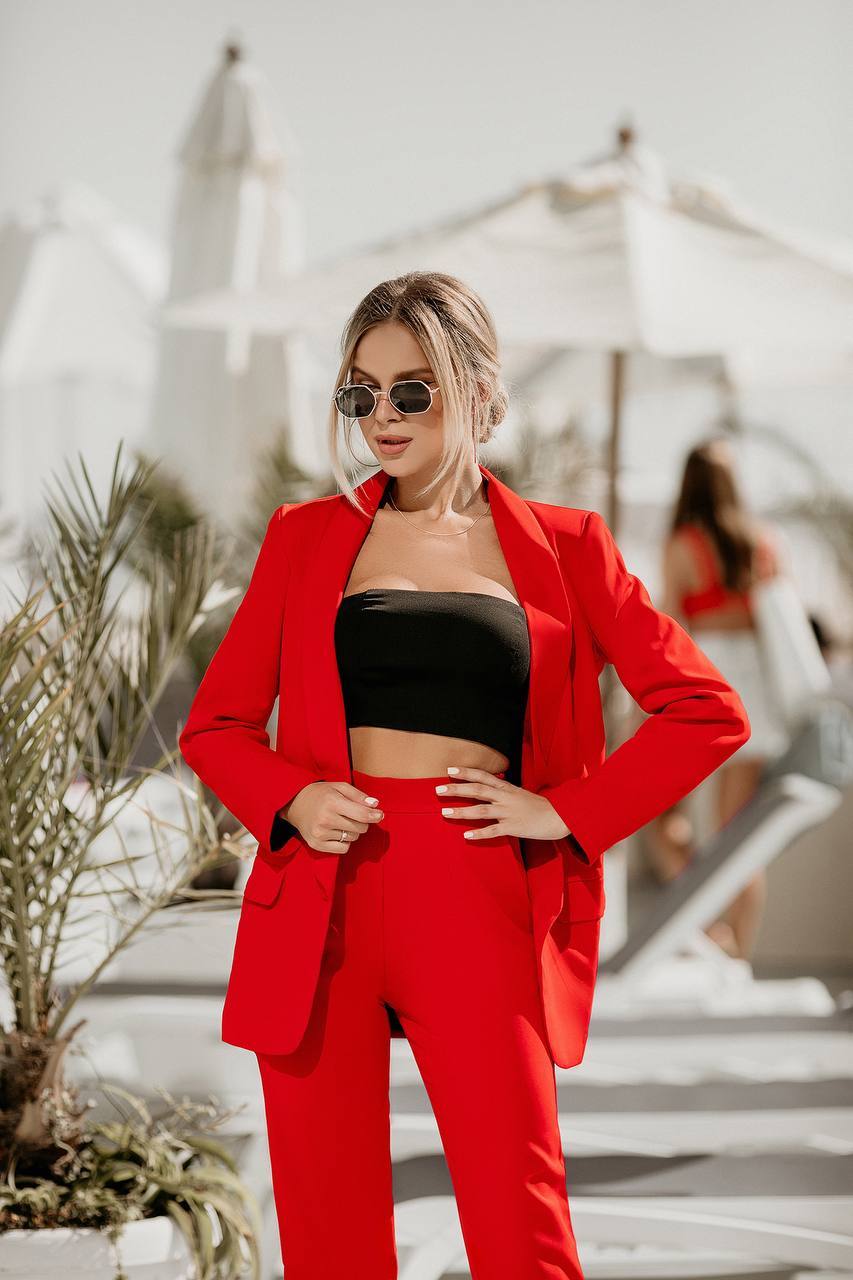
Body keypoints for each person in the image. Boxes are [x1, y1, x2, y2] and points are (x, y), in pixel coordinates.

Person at [179, 272, 750, 1279]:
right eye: (360, 393)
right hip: (324, 893)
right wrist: (293, 797)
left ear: (481, 389)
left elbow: (706, 710)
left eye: (412, 390)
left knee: (520, 1216)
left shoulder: (569, 547)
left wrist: (564, 810)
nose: (382, 418)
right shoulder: (304, 538)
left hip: (478, 881)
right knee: (328, 1232)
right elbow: (216, 725)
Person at [659, 437, 789, 959]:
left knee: (668, 820)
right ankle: (737, 951)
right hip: (757, 689)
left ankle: (708, 930)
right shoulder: (762, 543)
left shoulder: (683, 545)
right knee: (740, 834)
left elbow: (671, 627)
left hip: (706, 685)